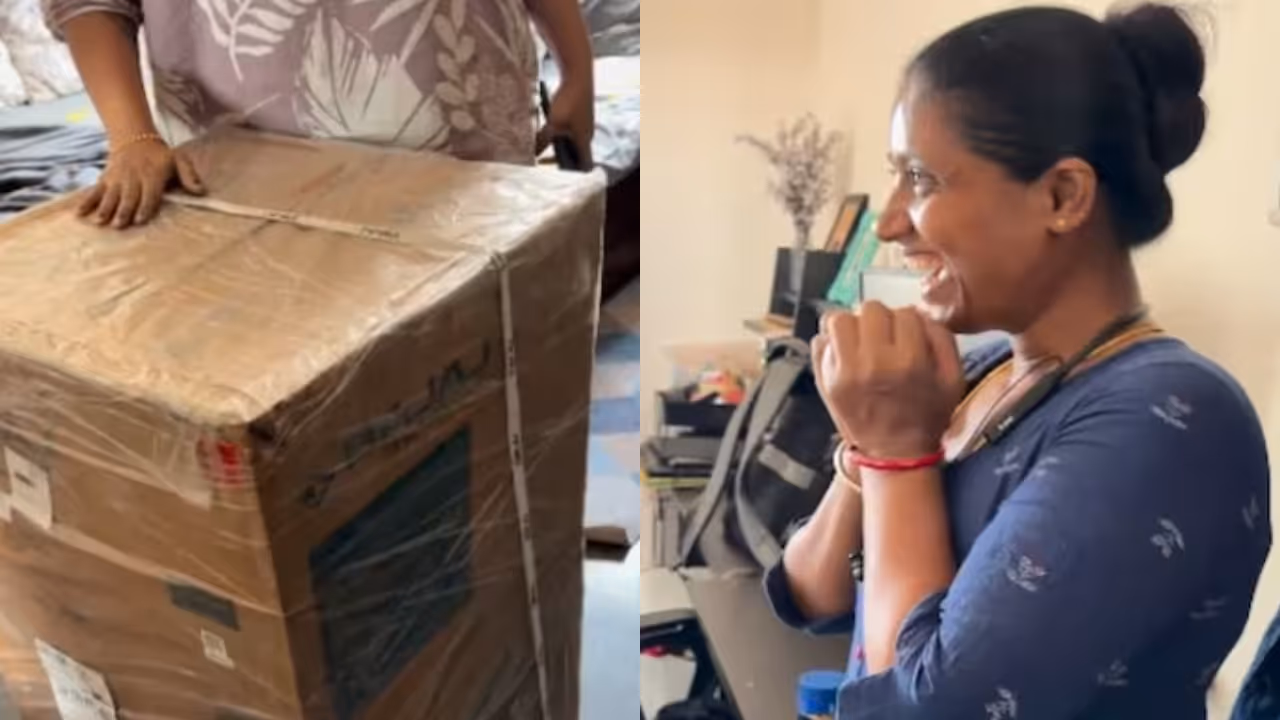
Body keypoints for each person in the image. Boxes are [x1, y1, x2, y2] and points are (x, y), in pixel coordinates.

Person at [764, 4, 1271, 719]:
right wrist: (866, 447)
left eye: (923, 180)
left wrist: (898, 452)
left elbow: (931, 712)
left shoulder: (1170, 420)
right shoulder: (989, 369)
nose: (888, 222)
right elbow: (810, 594)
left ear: (1063, 196)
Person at [44, 0, 595, 228]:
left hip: (479, 153)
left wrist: (576, 67)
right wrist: (132, 137)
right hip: (266, 186)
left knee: (492, 385)